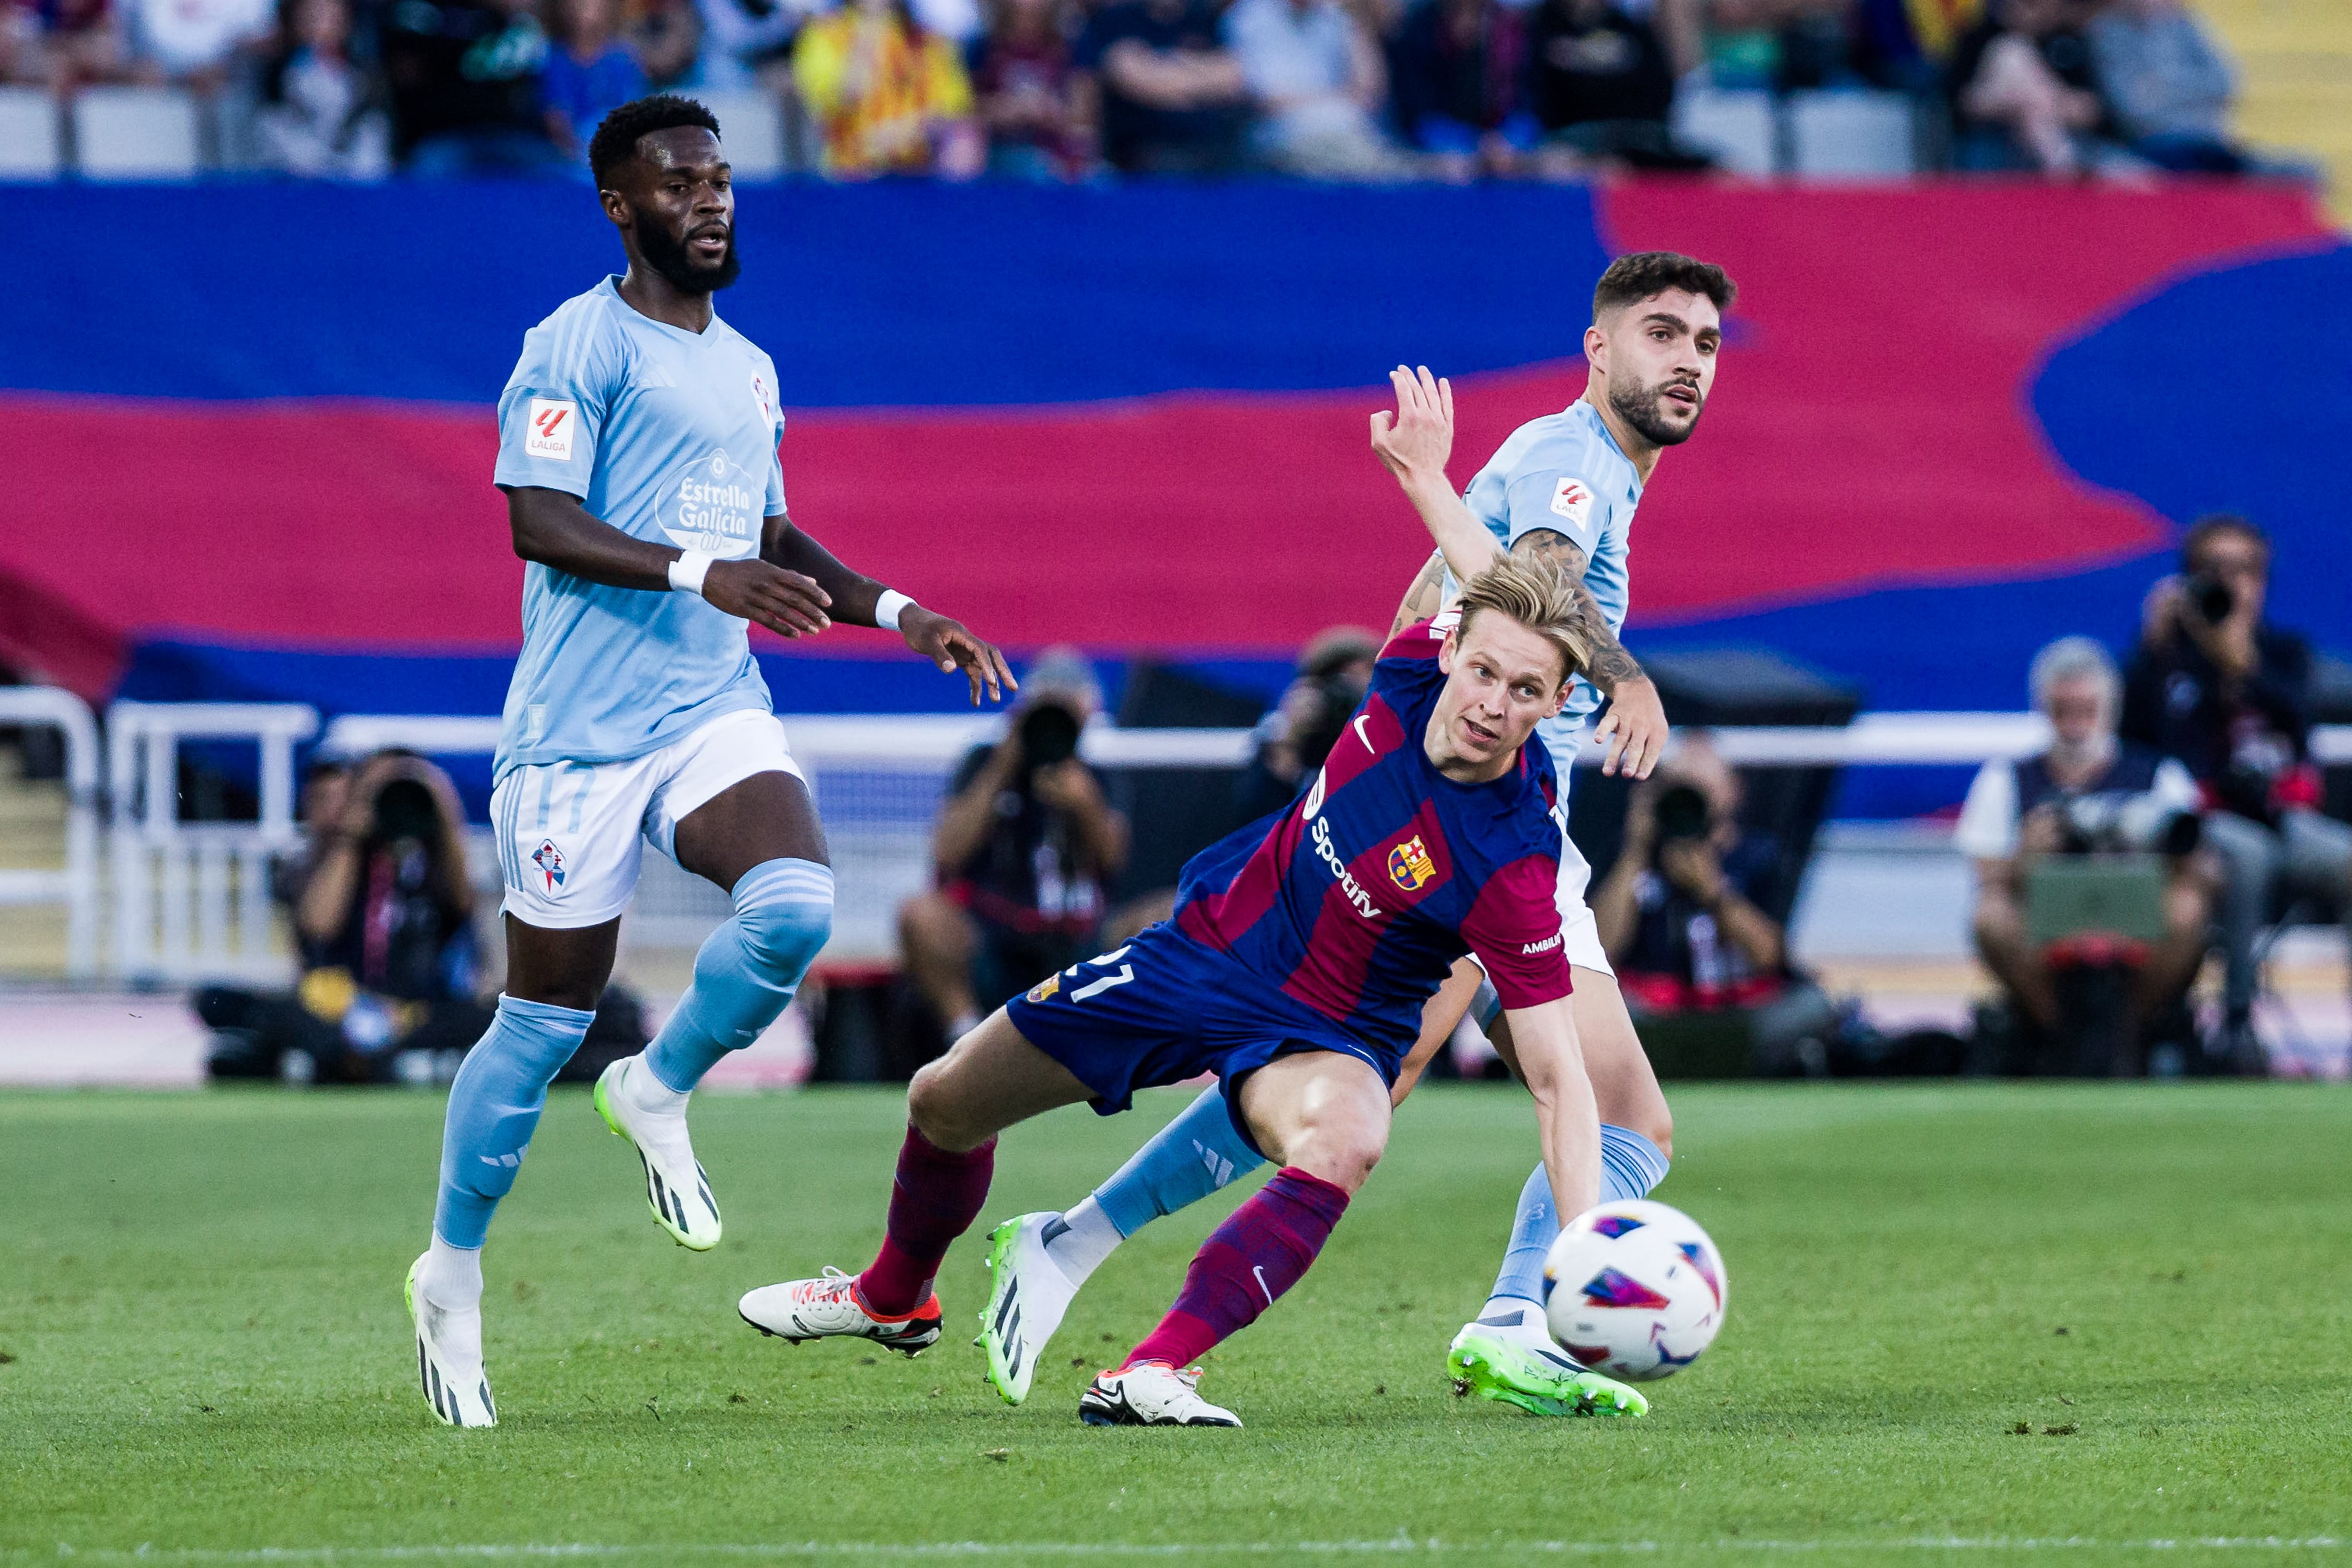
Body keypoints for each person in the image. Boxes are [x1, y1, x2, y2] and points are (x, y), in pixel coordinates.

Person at [966, 251, 1725, 1420]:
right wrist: (1623, 679)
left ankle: (1082, 1247)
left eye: (1706, 345)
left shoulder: (1564, 459)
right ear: (1598, 349)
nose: (1686, 362)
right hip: (1483, 825)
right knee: (1544, 1102)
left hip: (1483, 815)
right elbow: (1526, 599)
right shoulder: (1577, 462)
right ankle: (1524, 1319)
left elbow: (1451, 604)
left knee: (1408, 1077)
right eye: (1662, 335)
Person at [403, 94, 1016, 1429]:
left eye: (721, 180)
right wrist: (703, 570)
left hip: (705, 709)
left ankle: (660, 1083)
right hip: (574, 734)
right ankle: (451, 1271)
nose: (710, 202)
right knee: (541, 1020)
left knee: (794, 902)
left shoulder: (748, 365)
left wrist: (903, 610)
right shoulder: (572, 344)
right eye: (678, 184)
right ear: (620, 206)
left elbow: (773, 538)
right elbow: (538, 522)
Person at [740, 559, 1650, 1428]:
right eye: (1484, 670)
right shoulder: (1413, 668)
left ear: (1559, 703)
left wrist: (1585, 1263)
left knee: (1350, 1132)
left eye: (1526, 691)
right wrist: (1425, 480)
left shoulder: (1514, 864)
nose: (1493, 704)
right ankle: (891, 1297)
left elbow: (1561, 1081)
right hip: (1203, 956)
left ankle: (1154, 1368)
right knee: (944, 1101)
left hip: (1328, 1036)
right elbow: (1456, 574)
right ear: (1451, 650)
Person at [2122, 516, 2349, 1074]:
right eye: (2214, 570)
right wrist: (2154, 650)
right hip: (2201, 819)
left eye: (2244, 570)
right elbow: (2133, 747)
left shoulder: (2285, 652)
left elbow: (2297, 724)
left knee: (2345, 858)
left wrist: (2236, 658)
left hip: (2280, 814)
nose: (2232, 583)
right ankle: (2238, 1025)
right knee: (2245, 858)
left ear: (2263, 580)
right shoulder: (2167, 658)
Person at [1958, 635, 2209, 1063]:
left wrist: (2156, 851)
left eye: (2086, 709)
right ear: (2044, 709)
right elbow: (1985, 877)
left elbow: (2206, 867)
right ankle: (2064, 1035)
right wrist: (2026, 856)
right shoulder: (2010, 778)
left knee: (2188, 907)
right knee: (1991, 913)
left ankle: (2124, 1035)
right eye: (2063, 710)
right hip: (2044, 927)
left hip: (2136, 922)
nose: (2075, 722)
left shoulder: (2156, 776)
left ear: (2110, 708)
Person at [199, 752, 491, 1083]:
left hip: (416, 1013)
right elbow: (320, 926)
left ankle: (326, 1062)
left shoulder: (430, 860)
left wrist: (443, 808)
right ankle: (391, 1062)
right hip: (338, 1009)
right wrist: (351, 836)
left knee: (494, 1013)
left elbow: (463, 905)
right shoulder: (327, 856)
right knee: (218, 998)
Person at [897, 649, 1129, 1045]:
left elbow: (1114, 860)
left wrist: (1084, 804)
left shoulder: (1095, 777)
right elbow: (947, 852)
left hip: (1078, 938)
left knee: (1164, 919)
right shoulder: (985, 762)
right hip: (995, 935)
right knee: (921, 916)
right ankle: (966, 1039)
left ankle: (1121, 1043)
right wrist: (1003, 768)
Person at [791, 0, 984, 177]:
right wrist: (869, 27)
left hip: (922, 167)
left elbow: (955, 108)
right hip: (853, 169)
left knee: (965, 139)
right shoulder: (823, 35)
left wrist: (907, 132)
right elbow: (842, 97)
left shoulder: (929, 40)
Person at [1220, 0, 1405, 178]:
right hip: (1283, 138)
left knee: (1379, 162)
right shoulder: (1250, 16)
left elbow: (1370, 92)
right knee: (1376, 169)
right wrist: (1338, 99)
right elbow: (1266, 101)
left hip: (1351, 132)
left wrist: (1354, 22)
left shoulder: (1335, 16)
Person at [382, 0, 565, 173]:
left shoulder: (515, 19)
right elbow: (409, 75)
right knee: (425, 171)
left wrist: (515, 15)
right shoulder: (422, 11)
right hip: (444, 138)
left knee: (569, 176)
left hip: (511, 137)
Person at [1525, 0, 1705, 174]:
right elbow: (1534, 100)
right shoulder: (1537, 28)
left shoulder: (1633, 30)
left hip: (1638, 145)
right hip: (1568, 146)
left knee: (1718, 175)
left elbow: (1660, 93)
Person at [1070, 0, 1248, 175]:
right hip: (1141, 157)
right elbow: (1131, 77)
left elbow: (1232, 76)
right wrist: (1198, 78)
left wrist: (1160, 71)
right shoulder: (1117, 20)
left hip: (1213, 152)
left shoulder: (1202, 19)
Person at [1947, 0, 2119, 177]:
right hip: (1995, 138)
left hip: (2067, 131)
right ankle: (2064, 167)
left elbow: (2094, 108)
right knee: (2012, 52)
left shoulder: (2067, 40)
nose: (2026, 10)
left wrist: (2045, 103)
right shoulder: (1980, 37)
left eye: (2035, 4)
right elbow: (1960, 104)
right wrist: (2014, 105)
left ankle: (2062, 165)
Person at [2084, 0, 2252, 175]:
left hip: (2208, 140)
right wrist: (2197, 97)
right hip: (2153, 147)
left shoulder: (2184, 24)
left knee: (2267, 172)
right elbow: (2132, 111)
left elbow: (2225, 83)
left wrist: (2163, 85)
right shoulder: (2107, 33)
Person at [1386, 0, 1535, 180]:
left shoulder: (1513, 32)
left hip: (1505, 143)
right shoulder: (1419, 30)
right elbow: (1417, 117)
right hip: (1439, 145)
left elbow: (1529, 107)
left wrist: (1503, 144)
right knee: (1453, 171)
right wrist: (1474, 145)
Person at [253, 0, 391, 178]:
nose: (322, 23)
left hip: (349, 159)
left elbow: (368, 119)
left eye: (331, 15)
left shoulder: (362, 73)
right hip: (300, 156)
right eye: (312, 15)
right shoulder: (279, 71)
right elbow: (277, 119)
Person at [969, 0, 1094, 178]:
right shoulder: (982, 49)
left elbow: (1085, 121)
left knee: (1100, 180)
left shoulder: (1073, 47)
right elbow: (965, 113)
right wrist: (1011, 109)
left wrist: (1052, 111)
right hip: (1000, 152)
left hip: (1058, 153)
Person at [540, 0, 649, 164]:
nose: (582, 9)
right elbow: (556, 117)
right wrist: (575, 151)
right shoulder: (556, 60)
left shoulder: (623, 58)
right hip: (573, 156)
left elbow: (635, 110)